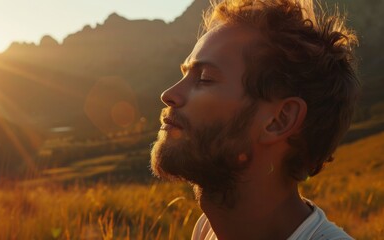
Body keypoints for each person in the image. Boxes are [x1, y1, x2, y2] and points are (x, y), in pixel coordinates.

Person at [150, 0, 360, 239]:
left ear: (279, 120)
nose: (168, 95)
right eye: (185, 74)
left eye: (205, 78)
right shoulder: (208, 229)